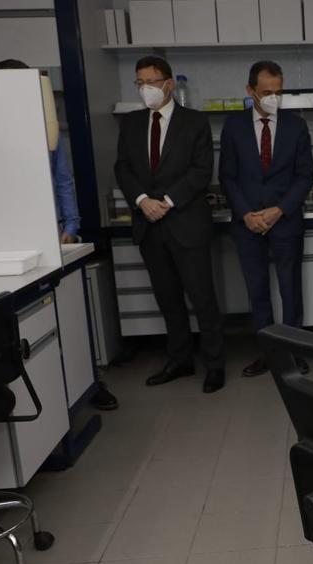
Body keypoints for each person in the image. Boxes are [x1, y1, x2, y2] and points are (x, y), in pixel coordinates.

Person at [0, 59, 119, 411]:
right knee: (24, 326)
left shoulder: (46, 130)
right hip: (9, 242)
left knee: (69, 314)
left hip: (51, 238)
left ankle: (88, 383)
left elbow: (63, 180)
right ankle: (43, 394)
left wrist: (71, 226)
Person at [114, 55, 226, 394]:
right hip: (150, 226)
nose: (145, 89)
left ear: (168, 83)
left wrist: (167, 201)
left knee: (202, 297)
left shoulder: (194, 122)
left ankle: (215, 364)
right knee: (168, 299)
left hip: (186, 222)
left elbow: (201, 171)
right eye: (139, 83)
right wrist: (141, 201)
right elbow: (123, 169)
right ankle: (180, 359)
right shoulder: (132, 124)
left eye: (150, 81)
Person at [219, 60, 313, 377]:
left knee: (290, 290)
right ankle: (269, 354)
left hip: (285, 221)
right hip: (247, 224)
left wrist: (279, 210)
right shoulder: (233, 127)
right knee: (257, 292)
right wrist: (246, 213)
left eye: (278, 92)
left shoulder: (296, 126)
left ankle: (295, 354)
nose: (273, 98)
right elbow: (228, 177)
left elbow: (304, 176)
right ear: (250, 91)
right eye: (266, 92)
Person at [0, 59, 80, 244]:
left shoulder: (45, 125)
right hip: (5, 226)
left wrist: (70, 225)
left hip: (48, 224)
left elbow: (62, 179)